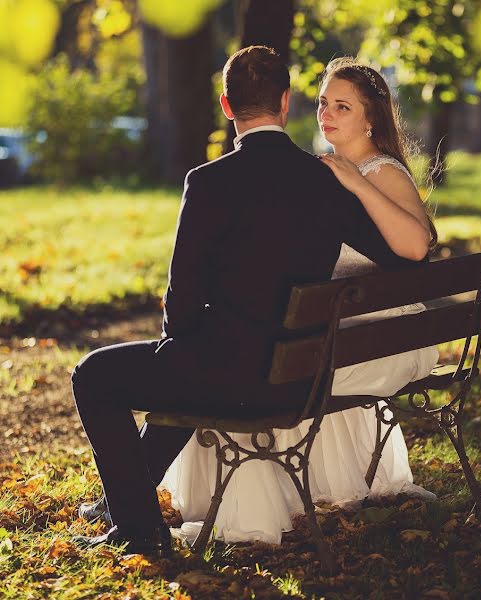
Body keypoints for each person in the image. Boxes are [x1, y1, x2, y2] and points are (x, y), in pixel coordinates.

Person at [71, 46, 428, 555]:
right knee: (181, 362)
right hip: (298, 381)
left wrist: (191, 339)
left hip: (226, 380)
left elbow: (183, 313)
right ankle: (131, 512)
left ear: (226, 104)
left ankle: (137, 526)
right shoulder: (327, 181)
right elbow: (402, 260)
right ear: (285, 103)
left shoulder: (207, 182)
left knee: (93, 374)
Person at [159, 57, 441, 544]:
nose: (327, 115)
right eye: (323, 103)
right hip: (346, 335)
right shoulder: (317, 174)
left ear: (371, 117)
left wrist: (353, 181)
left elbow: (417, 247)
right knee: (258, 353)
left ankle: (242, 507)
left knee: (250, 363)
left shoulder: (379, 172)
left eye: (343, 107)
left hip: (376, 342)